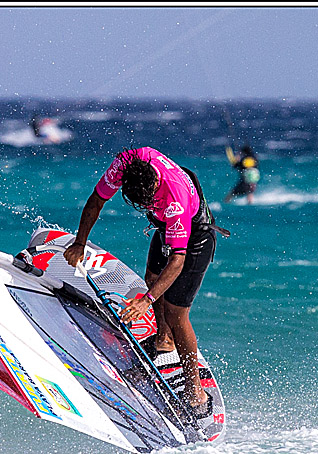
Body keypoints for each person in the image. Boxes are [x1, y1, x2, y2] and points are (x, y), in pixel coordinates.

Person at [63, 147, 224, 416]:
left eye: (148, 202)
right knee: (151, 277)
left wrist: (144, 301)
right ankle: (163, 343)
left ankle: (195, 392)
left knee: (175, 312)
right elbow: (96, 201)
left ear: (154, 186)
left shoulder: (174, 201)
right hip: (165, 229)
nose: (146, 208)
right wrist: (79, 243)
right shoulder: (126, 163)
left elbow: (177, 261)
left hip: (196, 239)